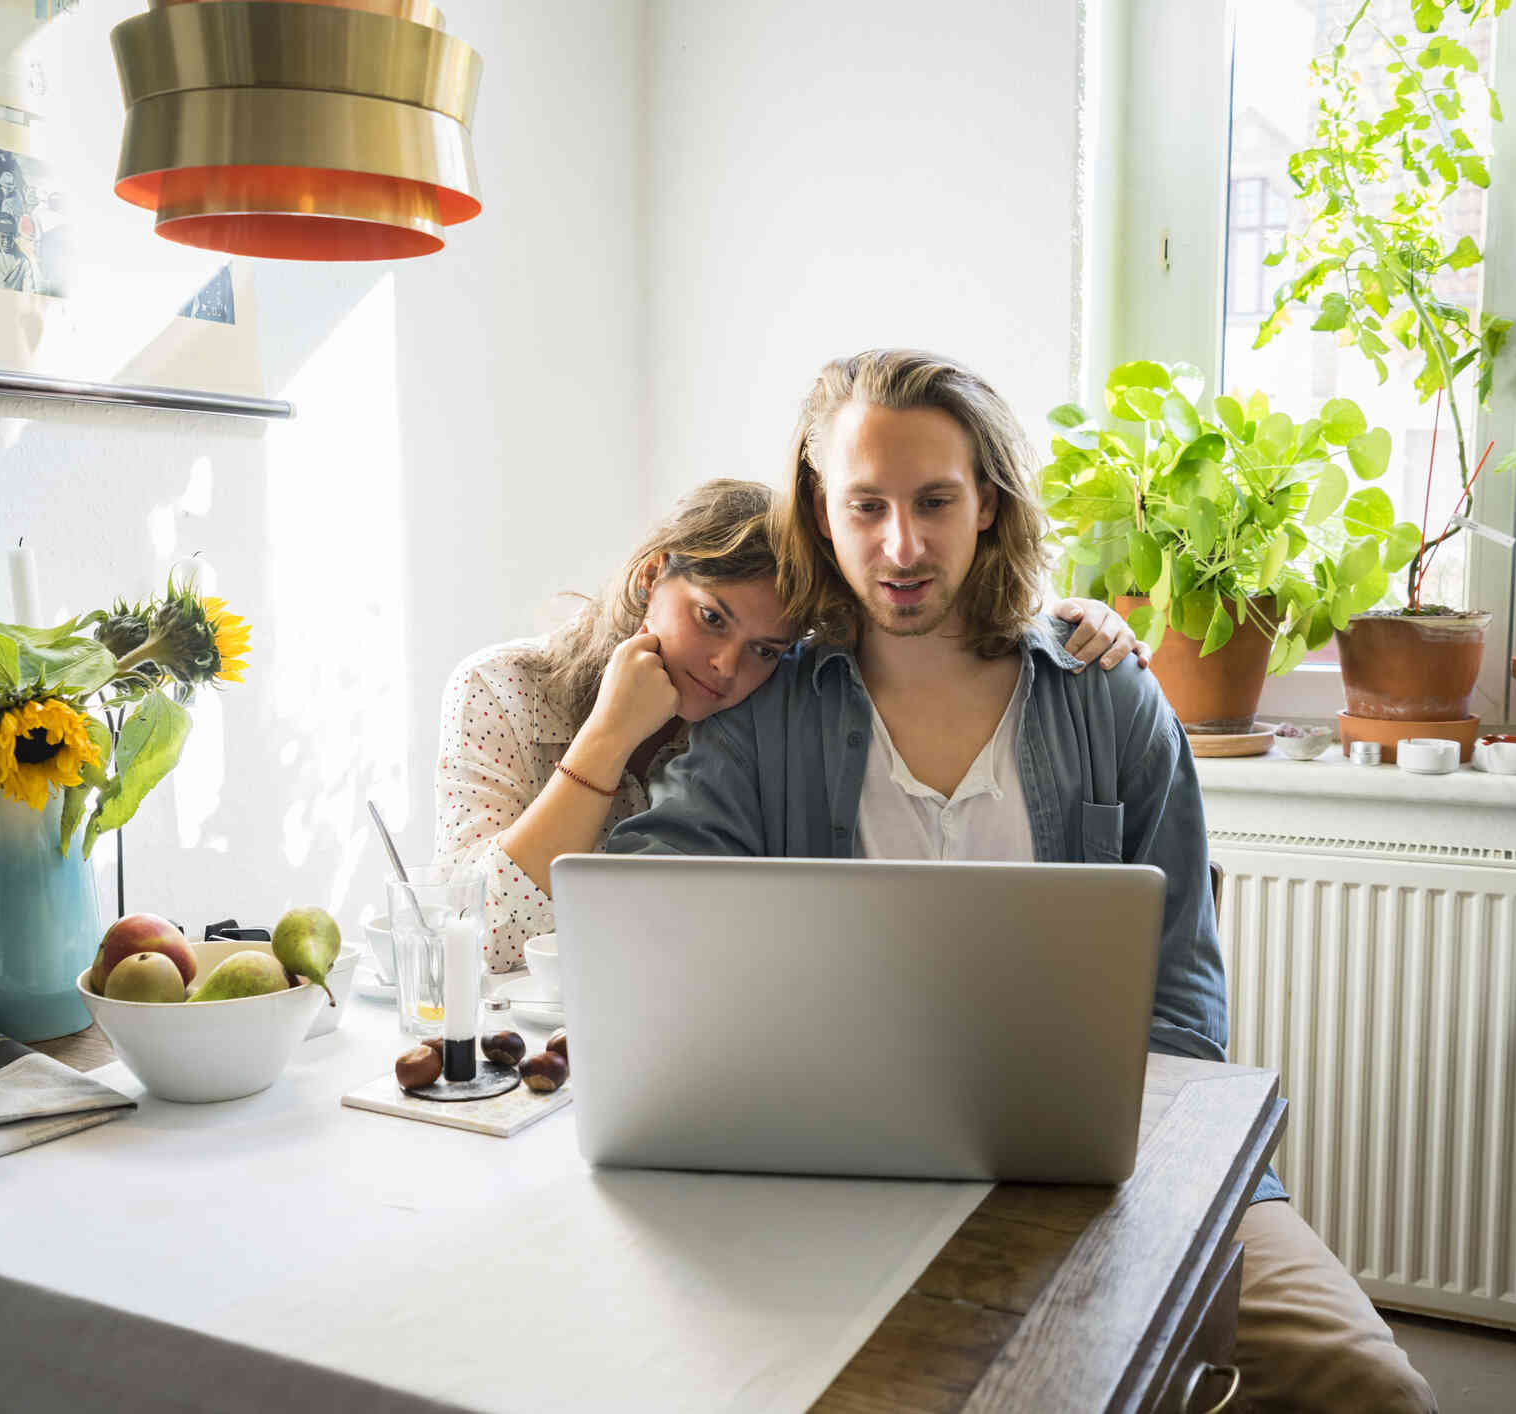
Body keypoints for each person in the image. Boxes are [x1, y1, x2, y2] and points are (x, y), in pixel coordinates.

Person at [607, 350, 1436, 1413]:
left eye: (934, 501)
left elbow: (1182, 1002)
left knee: (1368, 1387)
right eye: (866, 506)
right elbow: (641, 914)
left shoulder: (1110, 700)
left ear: (987, 503)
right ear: (820, 511)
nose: (900, 545)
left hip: (1113, 1161)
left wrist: (1111, 1164)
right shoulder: (768, 716)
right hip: (839, 1168)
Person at [430, 478, 1145, 973]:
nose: (723, 666)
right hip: (505, 1047)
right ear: (652, 578)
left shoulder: (763, 720)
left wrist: (1059, 617)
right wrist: (607, 739)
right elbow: (477, 936)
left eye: (765, 650)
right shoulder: (502, 691)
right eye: (710, 617)